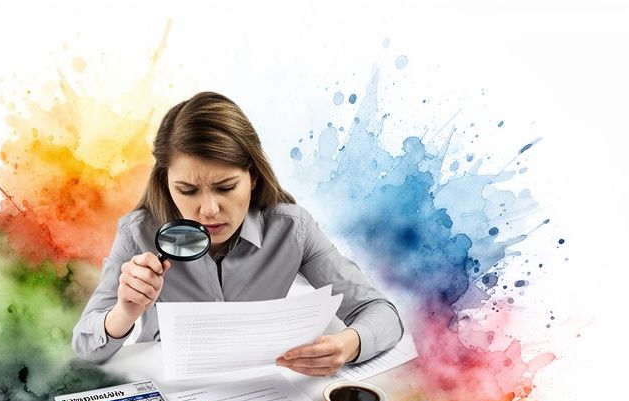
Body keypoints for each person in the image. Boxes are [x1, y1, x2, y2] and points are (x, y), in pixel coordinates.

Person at [73, 92, 403, 376]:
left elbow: (382, 313)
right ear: (165, 185)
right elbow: (85, 347)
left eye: (226, 187)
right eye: (187, 190)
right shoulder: (138, 233)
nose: (209, 210)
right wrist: (124, 313)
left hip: (263, 393)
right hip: (174, 396)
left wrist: (348, 345)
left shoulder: (293, 229)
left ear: (253, 178)